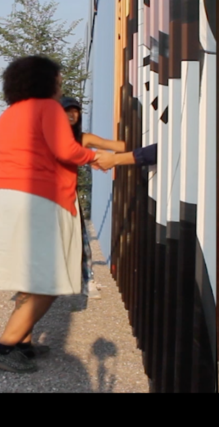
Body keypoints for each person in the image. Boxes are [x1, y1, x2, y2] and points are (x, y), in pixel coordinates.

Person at [0, 55, 113, 373]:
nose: (60, 85)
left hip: (2, 199)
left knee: (29, 276)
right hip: (35, 200)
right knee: (49, 280)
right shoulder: (49, 108)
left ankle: (23, 343)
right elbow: (66, 150)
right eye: (58, 80)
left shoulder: (9, 113)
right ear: (46, 80)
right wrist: (96, 158)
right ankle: (2, 348)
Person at [59, 96, 121, 299]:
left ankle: (87, 280)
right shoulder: (51, 137)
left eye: (75, 111)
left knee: (81, 238)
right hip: (48, 196)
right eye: (67, 110)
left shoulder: (82, 138)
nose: (72, 114)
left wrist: (138, 150)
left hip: (70, 195)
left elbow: (112, 145)